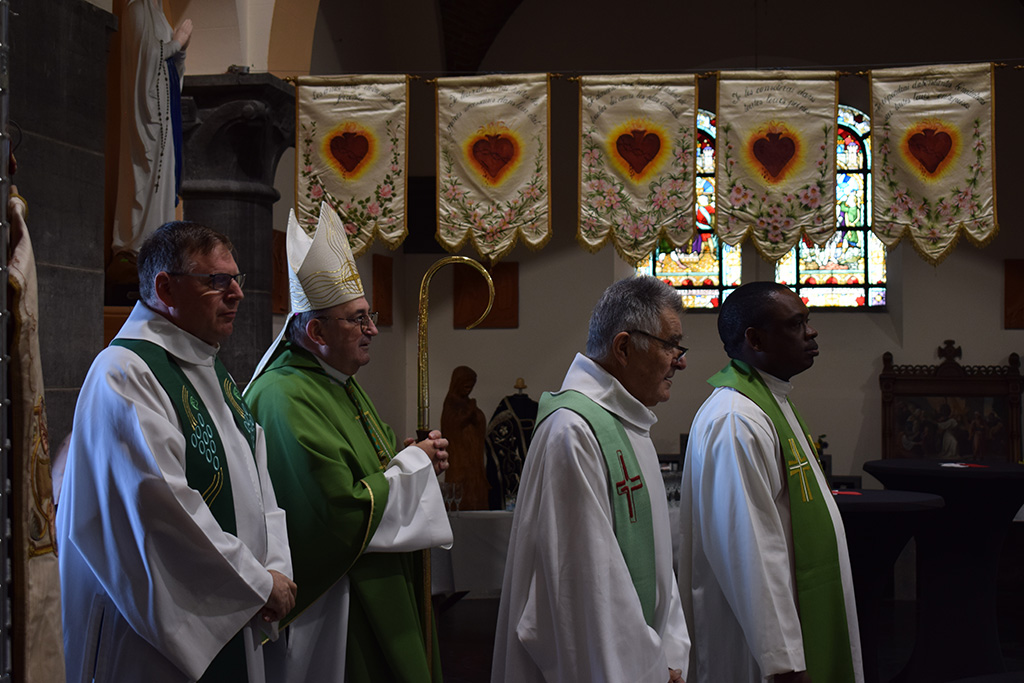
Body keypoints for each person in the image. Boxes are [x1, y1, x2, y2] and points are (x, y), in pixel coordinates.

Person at [56, 221, 296, 683]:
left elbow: (257, 482)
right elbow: (160, 509)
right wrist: (258, 582)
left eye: (236, 279)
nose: (237, 294)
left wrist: (274, 569)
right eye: (217, 280)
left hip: (241, 600)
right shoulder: (124, 373)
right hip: (148, 639)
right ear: (166, 288)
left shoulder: (210, 367)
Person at [245, 206, 452, 683]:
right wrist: (412, 468)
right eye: (358, 320)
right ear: (316, 331)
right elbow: (334, 513)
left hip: (369, 581)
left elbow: (371, 468)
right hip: (333, 605)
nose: (373, 330)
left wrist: (410, 460)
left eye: (370, 316)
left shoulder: (337, 381)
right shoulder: (284, 397)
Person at [492, 276, 691, 683]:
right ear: (623, 348)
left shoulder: (630, 423)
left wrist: (671, 654)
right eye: (670, 345)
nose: (680, 360)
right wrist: (650, 670)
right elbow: (585, 587)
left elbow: (659, 570)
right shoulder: (573, 431)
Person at [677, 281, 863, 683]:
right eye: (796, 324)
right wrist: (785, 662)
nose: (811, 332)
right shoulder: (736, 419)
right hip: (761, 652)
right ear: (755, 339)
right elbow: (751, 550)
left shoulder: (769, 401)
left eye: (807, 321)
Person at [110, 0, 193, 281]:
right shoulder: (136, 9)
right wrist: (177, 41)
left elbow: (169, 68)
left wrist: (181, 49)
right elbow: (146, 57)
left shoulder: (159, 14)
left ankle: (158, 246)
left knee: (164, 183)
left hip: (165, 118)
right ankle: (137, 245)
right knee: (145, 182)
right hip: (146, 121)